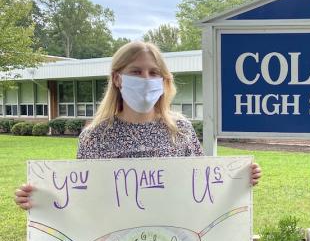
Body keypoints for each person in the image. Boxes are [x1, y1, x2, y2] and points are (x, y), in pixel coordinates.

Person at [15, 41, 261, 210]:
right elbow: (83, 198)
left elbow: (202, 187)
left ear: (164, 80)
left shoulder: (181, 129)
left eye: (154, 73)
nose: (146, 79)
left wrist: (237, 179)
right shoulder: (95, 137)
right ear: (117, 78)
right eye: (136, 71)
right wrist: (41, 200)